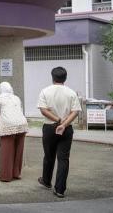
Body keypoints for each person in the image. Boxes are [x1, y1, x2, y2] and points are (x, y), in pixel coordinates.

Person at [37, 67, 82, 198]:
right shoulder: (71, 93)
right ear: (65, 78)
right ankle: (60, 189)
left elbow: (43, 110)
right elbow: (75, 111)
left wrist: (58, 120)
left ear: (52, 77)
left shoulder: (45, 91)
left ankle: (46, 181)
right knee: (63, 159)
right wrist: (64, 123)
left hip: (50, 127)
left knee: (49, 155)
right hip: (66, 129)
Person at [0, 82, 28, 182]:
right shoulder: (16, 98)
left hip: (8, 125)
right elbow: (21, 110)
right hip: (22, 124)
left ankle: (6, 176)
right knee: (18, 151)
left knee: (7, 152)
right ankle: (16, 174)